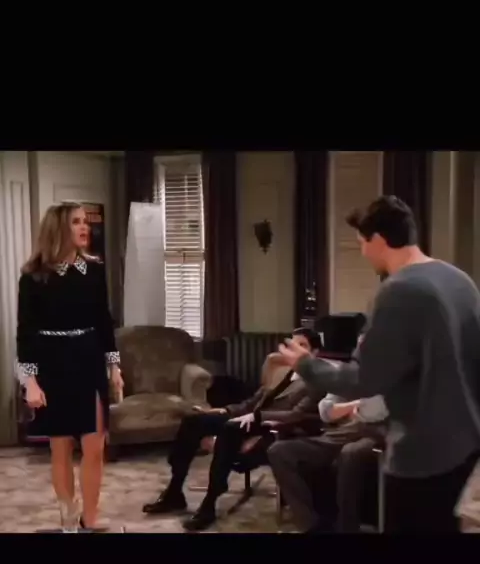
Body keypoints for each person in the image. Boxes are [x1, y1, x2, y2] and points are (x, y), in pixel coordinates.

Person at [277, 195, 480, 534]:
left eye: (362, 243)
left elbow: (366, 379)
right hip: (466, 444)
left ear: (379, 240)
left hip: (423, 453)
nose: (363, 252)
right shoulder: (460, 281)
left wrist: (306, 365)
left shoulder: (399, 290)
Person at [142, 328, 323, 532]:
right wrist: (225, 410)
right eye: (292, 345)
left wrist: (256, 417)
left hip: (275, 428)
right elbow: (253, 402)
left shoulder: (316, 381)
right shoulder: (285, 372)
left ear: (315, 352)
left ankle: (209, 503)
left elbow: (296, 416)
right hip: (248, 419)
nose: (294, 350)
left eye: (302, 345)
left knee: (230, 429)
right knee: (193, 421)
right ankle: (175, 492)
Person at [16, 202, 124, 532]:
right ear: (59, 228)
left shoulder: (94, 271)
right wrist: (30, 382)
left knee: (95, 446)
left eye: (85, 222)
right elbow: (25, 332)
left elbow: (104, 322)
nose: (84, 227)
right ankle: (68, 517)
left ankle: (89, 519)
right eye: (76, 222)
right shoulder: (34, 277)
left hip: (88, 360)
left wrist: (114, 368)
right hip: (54, 364)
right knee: (61, 448)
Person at [269, 368, 387, 533]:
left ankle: (346, 528)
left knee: (350, 453)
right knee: (279, 451)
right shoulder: (349, 374)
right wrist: (355, 405)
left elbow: (380, 408)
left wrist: (352, 408)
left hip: (372, 433)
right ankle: (311, 526)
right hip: (337, 434)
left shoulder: (390, 376)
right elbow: (326, 411)